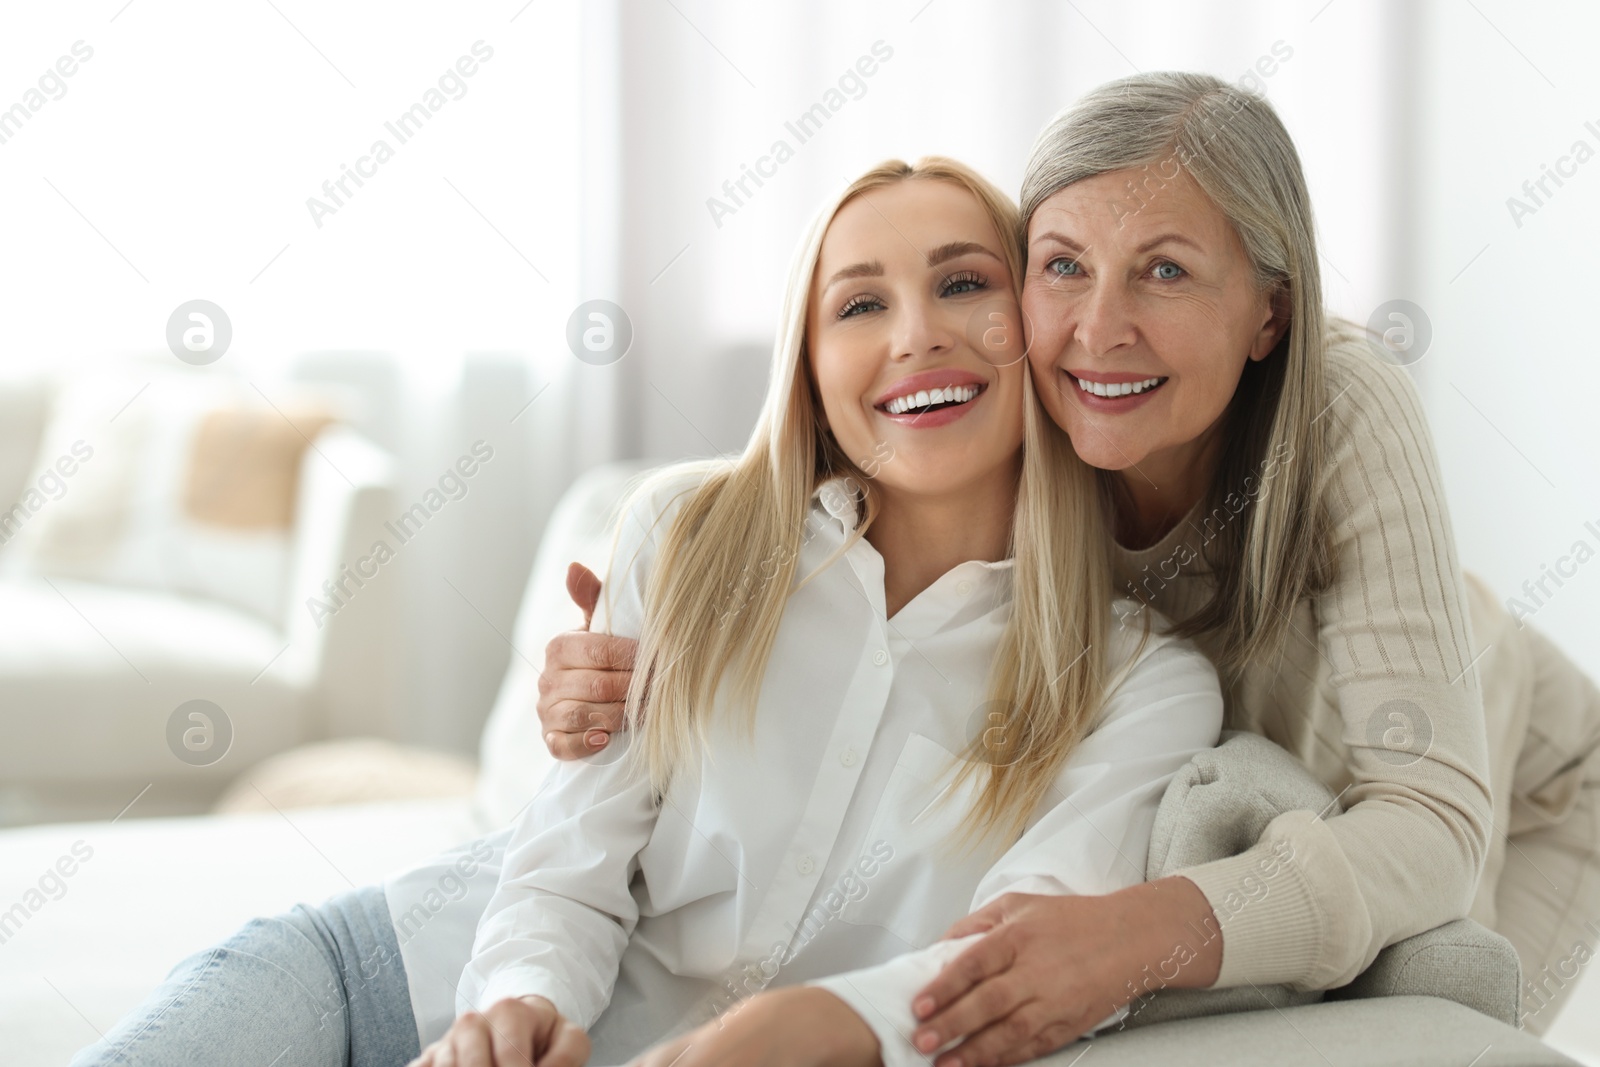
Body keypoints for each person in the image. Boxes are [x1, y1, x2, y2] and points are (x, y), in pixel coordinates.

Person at [538, 72, 1600, 1064]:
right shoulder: (1021, 404)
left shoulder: (1338, 408)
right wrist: (627, 645)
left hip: (1516, 787)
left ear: (1269, 311)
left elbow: (1428, 820)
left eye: (1166, 270)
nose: (1098, 332)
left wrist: (1144, 928)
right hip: (1249, 804)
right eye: (1062, 266)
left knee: (1439, 990)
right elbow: (828, 454)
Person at [71, 158, 1225, 1067]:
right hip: (396, 979)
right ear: (813, 369)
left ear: (1035, 323)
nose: (915, 330)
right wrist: (512, 1009)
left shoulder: (1138, 684)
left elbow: (1022, 958)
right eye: (859, 302)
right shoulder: (686, 533)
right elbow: (572, 852)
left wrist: (799, 1025)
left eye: (963, 281)